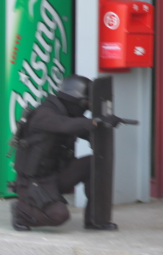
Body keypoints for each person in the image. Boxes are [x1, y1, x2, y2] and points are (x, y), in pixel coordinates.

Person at [10, 75, 122, 232]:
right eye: (86, 104)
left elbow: (84, 131)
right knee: (59, 215)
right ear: (76, 101)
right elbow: (65, 125)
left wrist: (102, 126)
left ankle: (94, 220)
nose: (86, 109)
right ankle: (21, 211)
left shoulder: (69, 114)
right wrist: (96, 122)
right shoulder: (44, 114)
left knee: (94, 163)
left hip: (55, 176)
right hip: (34, 182)